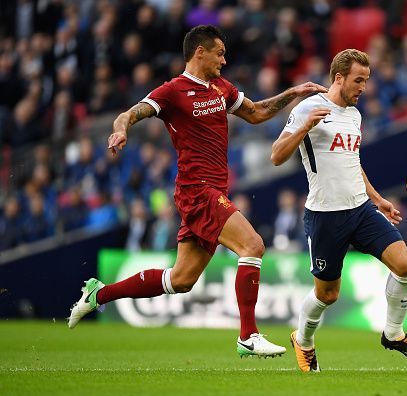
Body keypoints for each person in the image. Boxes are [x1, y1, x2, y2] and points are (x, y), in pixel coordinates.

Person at [68, 25, 327, 358]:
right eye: (219, 52)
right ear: (199, 52)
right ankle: (248, 335)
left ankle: (98, 295)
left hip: (214, 189)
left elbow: (257, 112)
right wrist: (121, 131)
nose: (224, 59)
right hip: (196, 189)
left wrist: (293, 93)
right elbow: (129, 114)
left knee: (181, 279)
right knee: (253, 245)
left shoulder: (222, 87)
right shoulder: (173, 91)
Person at [270, 49, 407, 372]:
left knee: (405, 265)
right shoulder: (310, 108)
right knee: (327, 295)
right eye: (358, 80)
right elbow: (275, 156)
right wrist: (303, 129)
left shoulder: (355, 116)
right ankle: (303, 339)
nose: (363, 88)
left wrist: (378, 199)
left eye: (366, 81)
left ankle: (393, 332)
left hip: (360, 209)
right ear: (339, 78)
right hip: (325, 216)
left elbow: (352, 162)